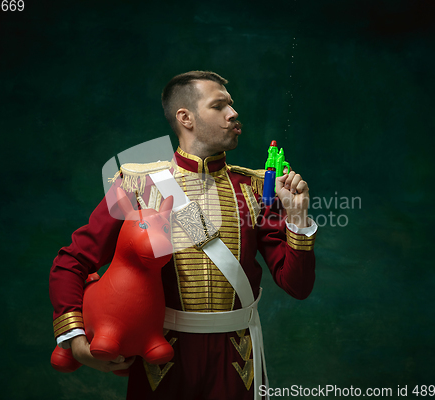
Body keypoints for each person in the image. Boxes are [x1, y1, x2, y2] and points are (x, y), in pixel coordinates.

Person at [49, 70, 318, 400]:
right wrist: (75, 341)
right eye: (219, 106)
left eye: (231, 105)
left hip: (238, 359)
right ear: (185, 117)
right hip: (161, 359)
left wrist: (298, 216)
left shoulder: (256, 188)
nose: (234, 114)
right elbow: (72, 262)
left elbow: (297, 286)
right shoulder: (137, 183)